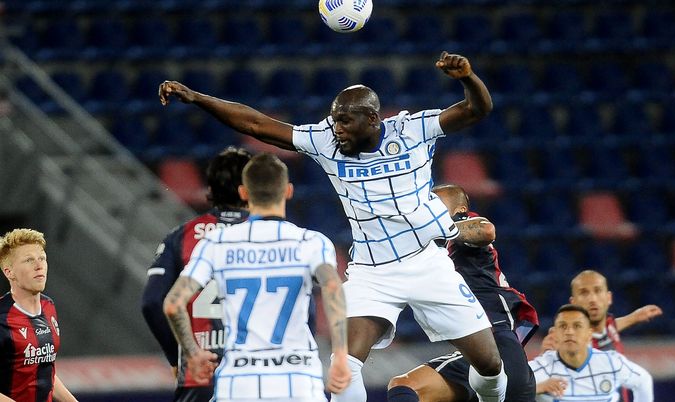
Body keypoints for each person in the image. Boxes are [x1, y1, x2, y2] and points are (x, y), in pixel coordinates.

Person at [159, 51, 508, 402]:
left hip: (427, 262)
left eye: (344, 121)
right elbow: (255, 124)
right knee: (344, 364)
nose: (336, 128)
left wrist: (467, 78)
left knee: (491, 364)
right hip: (373, 274)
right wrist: (197, 98)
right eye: (333, 120)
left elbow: (477, 109)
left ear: (372, 119)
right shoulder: (326, 141)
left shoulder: (413, 130)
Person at [163, 153, 350, 401]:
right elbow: (332, 287)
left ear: (243, 193)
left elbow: (173, 304)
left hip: (239, 380)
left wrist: (193, 354)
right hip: (298, 377)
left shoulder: (217, 242)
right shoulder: (311, 242)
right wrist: (340, 355)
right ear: (289, 191)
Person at [387, 184, 539, 402]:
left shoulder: (461, 225)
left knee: (406, 386)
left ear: (460, 210)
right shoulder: (433, 251)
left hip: (498, 345)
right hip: (477, 353)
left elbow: (486, 231)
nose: (428, 210)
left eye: (435, 204)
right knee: (405, 386)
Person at [141, 146, 252, 402]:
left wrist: (179, 356)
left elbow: (152, 301)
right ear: (250, 189)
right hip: (258, 375)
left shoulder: (183, 235)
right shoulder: (271, 236)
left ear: (210, 191)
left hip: (200, 373)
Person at [0, 228, 77, 402]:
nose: (39, 265)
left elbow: (45, 370)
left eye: (42, 258)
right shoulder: (2, 317)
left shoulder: (48, 305)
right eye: (29, 260)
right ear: (9, 272)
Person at [529, 304, 653, 402]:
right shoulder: (540, 369)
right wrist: (536, 388)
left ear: (589, 334)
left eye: (577, 326)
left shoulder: (611, 363)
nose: (569, 332)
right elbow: (510, 389)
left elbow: (643, 381)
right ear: (555, 333)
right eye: (563, 326)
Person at [541, 270, 663, 354]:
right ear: (573, 303)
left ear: (609, 298)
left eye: (597, 291)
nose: (592, 299)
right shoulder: (565, 341)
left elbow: (608, 327)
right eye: (584, 293)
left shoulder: (608, 326)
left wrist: (635, 316)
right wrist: (548, 356)